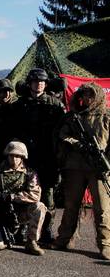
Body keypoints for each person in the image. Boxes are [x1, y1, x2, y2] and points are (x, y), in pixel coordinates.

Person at [52, 82, 110, 260]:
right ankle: (64, 238)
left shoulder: (106, 116)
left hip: (98, 168)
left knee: (102, 208)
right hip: (74, 166)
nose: (87, 98)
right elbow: (62, 135)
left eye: (90, 95)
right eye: (84, 94)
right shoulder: (72, 117)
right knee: (71, 206)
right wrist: (77, 143)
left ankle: (105, 244)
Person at [11, 68, 64, 243]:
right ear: (30, 83)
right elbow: (14, 131)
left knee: (48, 195)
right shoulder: (20, 105)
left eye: (42, 81)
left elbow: (62, 131)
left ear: (46, 84)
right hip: (27, 158)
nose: (39, 84)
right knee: (26, 193)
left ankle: (47, 228)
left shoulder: (54, 105)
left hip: (48, 157)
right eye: (35, 81)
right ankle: (25, 227)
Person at [0, 141, 46, 255]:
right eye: (11, 155)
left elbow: (35, 195)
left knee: (39, 207)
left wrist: (13, 197)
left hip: (21, 212)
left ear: (23, 157)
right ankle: (7, 234)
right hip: (1, 215)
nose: (14, 159)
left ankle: (31, 242)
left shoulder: (29, 173)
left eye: (17, 156)